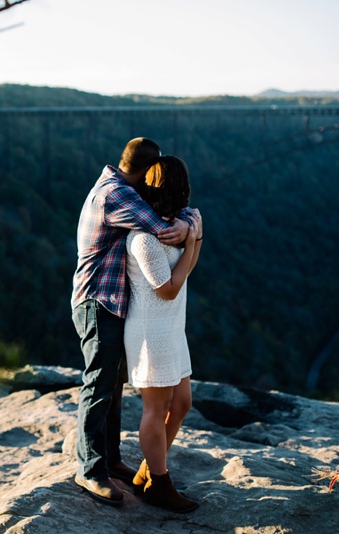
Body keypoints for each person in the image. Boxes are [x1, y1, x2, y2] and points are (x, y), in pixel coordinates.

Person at [71, 138, 190, 505]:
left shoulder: (114, 185)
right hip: (98, 303)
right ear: (143, 173)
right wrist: (191, 230)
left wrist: (188, 225)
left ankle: (109, 460)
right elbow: (162, 226)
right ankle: (90, 470)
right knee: (99, 386)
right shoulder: (117, 196)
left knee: (113, 386)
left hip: (112, 303)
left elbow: (171, 220)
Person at [125, 155, 202, 513]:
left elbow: (186, 268)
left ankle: (146, 472)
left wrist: (193, 235)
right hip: (149, 333)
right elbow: (168, 288)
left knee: (183, 403)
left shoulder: (172, 225)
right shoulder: (144, 239)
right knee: (156, 410)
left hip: (172, 328)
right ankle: (159, 482)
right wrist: (193, 244)